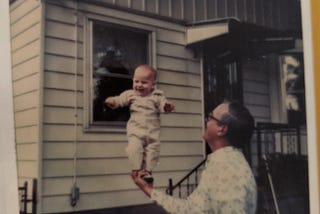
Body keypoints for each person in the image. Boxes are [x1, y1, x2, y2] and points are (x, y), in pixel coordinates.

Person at [131, 101, 257, 213]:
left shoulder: (229, 172)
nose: (206, 120)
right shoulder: (221, 164)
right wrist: (148, 189)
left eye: (210, 117)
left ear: (222, 129)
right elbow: (190, 208)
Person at [105, 65, 175, 183]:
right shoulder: (130, 94)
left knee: (153, 151)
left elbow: (162, 105)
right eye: (136, 81)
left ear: (153, 84)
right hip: (136, 131)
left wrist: (167, 107)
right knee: (134, 148)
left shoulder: (157, 96)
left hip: (152, 132)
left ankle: (148, 171)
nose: (139, 85)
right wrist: (112, 102)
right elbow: (119, 100)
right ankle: (137, 169)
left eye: (144, 82)